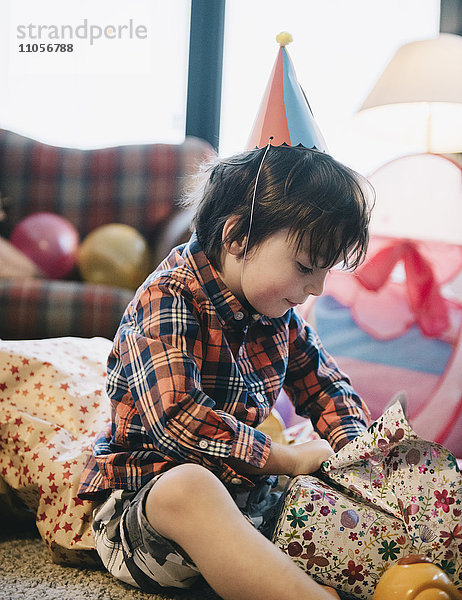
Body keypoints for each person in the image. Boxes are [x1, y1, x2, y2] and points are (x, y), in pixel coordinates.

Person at [78, 144, 374, 600]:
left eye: (325, 271)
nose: (316, 288)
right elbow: (179, 420)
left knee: (332, 497)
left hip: (251, 499)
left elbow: (326, 386)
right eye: (305, 268)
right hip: (146, 513)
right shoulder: (168, 298)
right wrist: (287, 459)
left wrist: (355, 452)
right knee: (191, 486)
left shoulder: (276, 313)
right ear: (238, 238)